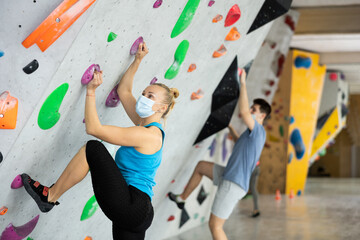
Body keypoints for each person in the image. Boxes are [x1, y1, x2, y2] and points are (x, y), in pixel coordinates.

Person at [21, 42, 179, 240]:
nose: (143, 98)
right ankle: (50, 197)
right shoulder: (144, 125)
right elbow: (124, 91)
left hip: (131, 206)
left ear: (162, 108)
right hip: (139, 209)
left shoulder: (148, 135)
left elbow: (94, 129)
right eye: (143, 93)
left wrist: (91, 91)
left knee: (93, 149)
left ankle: (50, 196)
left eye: (150, 96)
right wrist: (138, 60)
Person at [168, 69, 271, 240]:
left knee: (215, 226)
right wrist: (231, 128)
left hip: (233, 183)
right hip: (229, 175)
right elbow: (240, 143)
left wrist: (243, 82)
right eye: (252, 107)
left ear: (262, 115)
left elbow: (244, 113)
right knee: (201, 166)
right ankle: (182, 198)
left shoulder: (258, 130)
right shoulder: (252, 134)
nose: (251, 110)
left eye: (254, 109)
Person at [228, 126, 261, 218]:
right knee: (253, 188)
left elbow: (236, 139)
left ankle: (232, 207)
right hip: (257, 167)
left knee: (240, 186)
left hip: (251, 168)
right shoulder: (256, 141)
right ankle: (256, 208)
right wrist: (230, 127)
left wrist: (230, 127)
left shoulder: (248, 143)